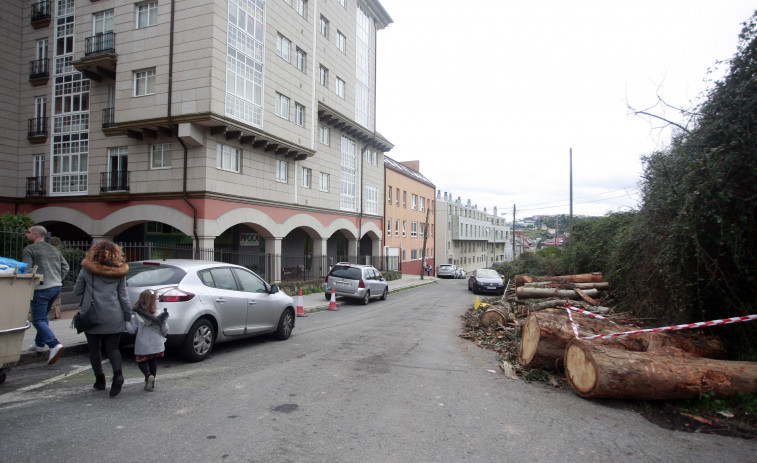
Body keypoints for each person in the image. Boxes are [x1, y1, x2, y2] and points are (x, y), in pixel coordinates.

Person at [73, 241, 132, 397]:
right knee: (113, 349)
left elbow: (77, 291)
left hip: (91, 315)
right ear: (116, 254)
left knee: (94, 349)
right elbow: (124, 296)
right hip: (114, 315)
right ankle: (118, 375)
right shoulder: (120, 272)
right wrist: (127, 314)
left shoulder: (87, 270)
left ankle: (100, 380)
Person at [21, 225, 69, 365]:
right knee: (44, 316)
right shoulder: (54, 249)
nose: (26, 234)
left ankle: (54, 344)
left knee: (37, 320)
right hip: (56, 287)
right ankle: (39, 343)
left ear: (36, 235)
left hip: (40, 288)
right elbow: (65, 266)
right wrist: (57, 279)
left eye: (28, 232)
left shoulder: (29, 249)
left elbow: (27, 270)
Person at [126, 289, 169, 392]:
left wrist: (127, 321)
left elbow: (132, 330)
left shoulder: (138, 315)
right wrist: (162, 336)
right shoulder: (161, 314)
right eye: (157, 299)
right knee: (153, 360)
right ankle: (151, 383)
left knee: (141, 361)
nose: (158, 300)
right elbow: (165, 329)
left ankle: (147, 375)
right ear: (153, 301)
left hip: (143, 344)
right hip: (157, 344)